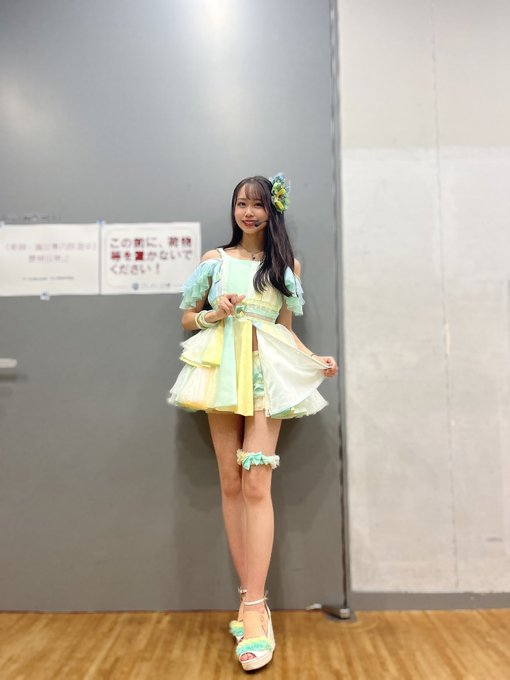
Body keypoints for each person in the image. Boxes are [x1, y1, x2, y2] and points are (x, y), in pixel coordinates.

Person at [168, 174, 338, 672]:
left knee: (256, 483)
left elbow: (286, 330)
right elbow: (186, 317)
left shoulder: (285, 266)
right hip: (222, 368)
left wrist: (314, 359)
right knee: (230, 481)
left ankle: (255, 609)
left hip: (267, 373)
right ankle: (251, 602)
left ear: (271, 211)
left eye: (258, 204)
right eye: (241, 203)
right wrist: (214, 313)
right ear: (234, 209)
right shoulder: (214, 261)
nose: (248, 212)